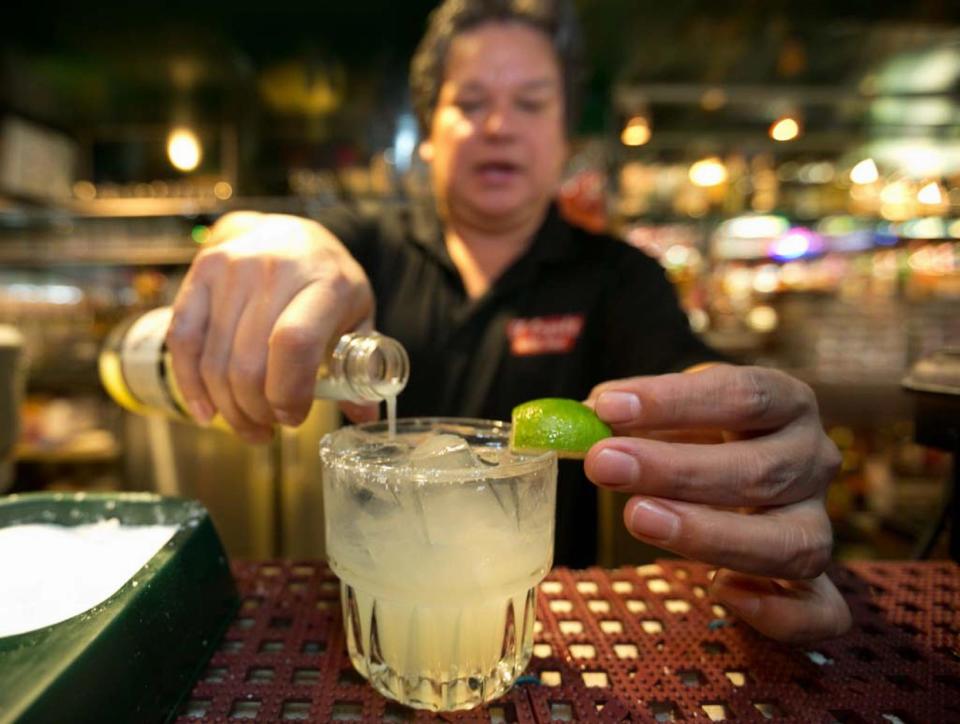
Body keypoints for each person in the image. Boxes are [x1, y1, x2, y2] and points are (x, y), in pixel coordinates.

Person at [166, 0, 851, 644]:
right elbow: (281, 239)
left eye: (530, 103)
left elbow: (688, 379)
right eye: (469, 103)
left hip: (541, 633)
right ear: (429, 133)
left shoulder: (618, 278)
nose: (498, 126)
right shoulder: (366, 247)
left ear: (562, 136)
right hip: (372, 624)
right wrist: (269, 237)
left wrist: (752, 444)